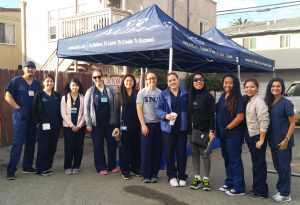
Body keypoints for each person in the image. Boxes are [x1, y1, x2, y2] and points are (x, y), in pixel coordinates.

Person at [5, 61, 42, 180]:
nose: (30, 70)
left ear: (35, 70)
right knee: (18, 143)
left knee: (31, 143)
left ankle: (27, 166)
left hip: (33, 119)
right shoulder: (16, 81)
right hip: (20, 119)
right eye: (28, 68)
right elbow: (7, 97)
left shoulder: (37, 84)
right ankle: (11, 170)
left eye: (33, 68)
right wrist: (18, 109)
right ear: (24, 69)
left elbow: (40, 100)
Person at [155, 72, 189, 187]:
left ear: (178, 80)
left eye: (174, 80)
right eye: (170, 81)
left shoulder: (185, 93)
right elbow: (157, 109)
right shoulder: (163, 94)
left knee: (181, 153)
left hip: (182, 129)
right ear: (167, 83)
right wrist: (165, 115)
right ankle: (172, 176)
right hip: (168, 130)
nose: (172, 82)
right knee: (169, 154)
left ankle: (182, 175)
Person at [265, 77, 295, 203]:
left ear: (282, 88)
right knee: (278, 167)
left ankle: (286, 194)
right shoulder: (269, 102)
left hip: (283, 142)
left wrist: (286, 139)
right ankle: (281, 189)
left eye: (278, 86)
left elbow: (292, 123)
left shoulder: (286, 103)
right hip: (273, 141)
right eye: (273, 86)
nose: (275, 88)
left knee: (284, 168)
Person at [84, 69, 119, 175]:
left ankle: (112, 165)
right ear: (92, 78)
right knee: (98, 146)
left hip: (110, 123)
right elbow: (86, 108)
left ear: (102, 77)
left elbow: (116, 106)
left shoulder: (110, 89)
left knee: (112, 145)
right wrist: (88, 123)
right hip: (96, 124)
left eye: (99, 76)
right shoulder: (90, 91)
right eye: (95, 77)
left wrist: (117, 122)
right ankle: (101, 167)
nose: (97, 79)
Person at [216, 74, 245, 196]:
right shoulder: (223, 96)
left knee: (235, 160)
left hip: (233, 134)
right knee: (227, 159)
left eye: (230, 82)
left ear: (235, 84)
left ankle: (239, 187)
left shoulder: (239, 98)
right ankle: (230, 182)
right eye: (225, 82)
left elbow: (240, 117)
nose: (227, 85)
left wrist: (227, 128)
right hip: (223, 134)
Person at [187, 73, 215, 191]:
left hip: (204, 131)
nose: (199, 81)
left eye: (201, 79)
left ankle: (206, 179)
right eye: (196, 80)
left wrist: (212, 131)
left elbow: (212, 115)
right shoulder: (190, 96)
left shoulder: (208, 96)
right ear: (192, 83)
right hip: (192, 132)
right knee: (194, 154)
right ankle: (197, 178)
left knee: (205, 155)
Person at [244, 78, 269, 199]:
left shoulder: (259, 101)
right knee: (256, 163)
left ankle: (261, 192)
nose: (249, 89)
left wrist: (261, 139)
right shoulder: (250, 100)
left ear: (257, 88)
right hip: (251, 136)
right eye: (247, 87)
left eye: (252, 87)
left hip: (257, 137)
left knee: (259, 164)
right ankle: (257, 188)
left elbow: (264, 120)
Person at [33, 74, 62, 176]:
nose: (50, 83)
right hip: (43, 126)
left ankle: (48, 167)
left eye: (51, 81)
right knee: (43, 147)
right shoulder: (39, 94)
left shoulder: (57, 95)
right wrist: (38, 123)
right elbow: (35, 110)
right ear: (43, 82)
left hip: (55, 126)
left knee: (52, 147)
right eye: (47, 81)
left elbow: (61, 110)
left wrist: (59, 123)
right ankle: (40, 169)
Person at [113, 74, 141, 180]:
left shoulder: (137, 94)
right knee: (124, 149)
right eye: (127, 81)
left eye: (131, 81)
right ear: (123, 82)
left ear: (134, 83)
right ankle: (125, 170)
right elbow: (116, 112)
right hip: (124, 126)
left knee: (136, 148)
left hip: (136, 125)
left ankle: (136, 168)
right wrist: (116, 127)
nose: (129, 82)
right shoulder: (118, 95)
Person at [136, 72, 162, 183]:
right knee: (146, 151)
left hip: (159, 125)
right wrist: (143, 125)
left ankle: (154, 174)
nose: (152, 80)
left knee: (157, 151)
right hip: (147, 125)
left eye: (154, 78)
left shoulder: (161, 93)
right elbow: (139, 110)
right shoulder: (142, 93)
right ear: (146, 80)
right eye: (150, 78)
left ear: (156, 79)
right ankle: (146, 174)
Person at [61, 79, 86, 175]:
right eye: (73, 85)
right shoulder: (65, 98)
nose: (75, 87)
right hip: (68, 127)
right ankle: (67, 166)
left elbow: (85, 113)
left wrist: (79, 125)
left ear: (79, 87)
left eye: (76, 85)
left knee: (79, 147)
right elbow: (63, 113)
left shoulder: (83, 98)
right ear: (69, 86)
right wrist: (72, 125)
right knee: (69, 147)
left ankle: (76, 166)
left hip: (80, 127)